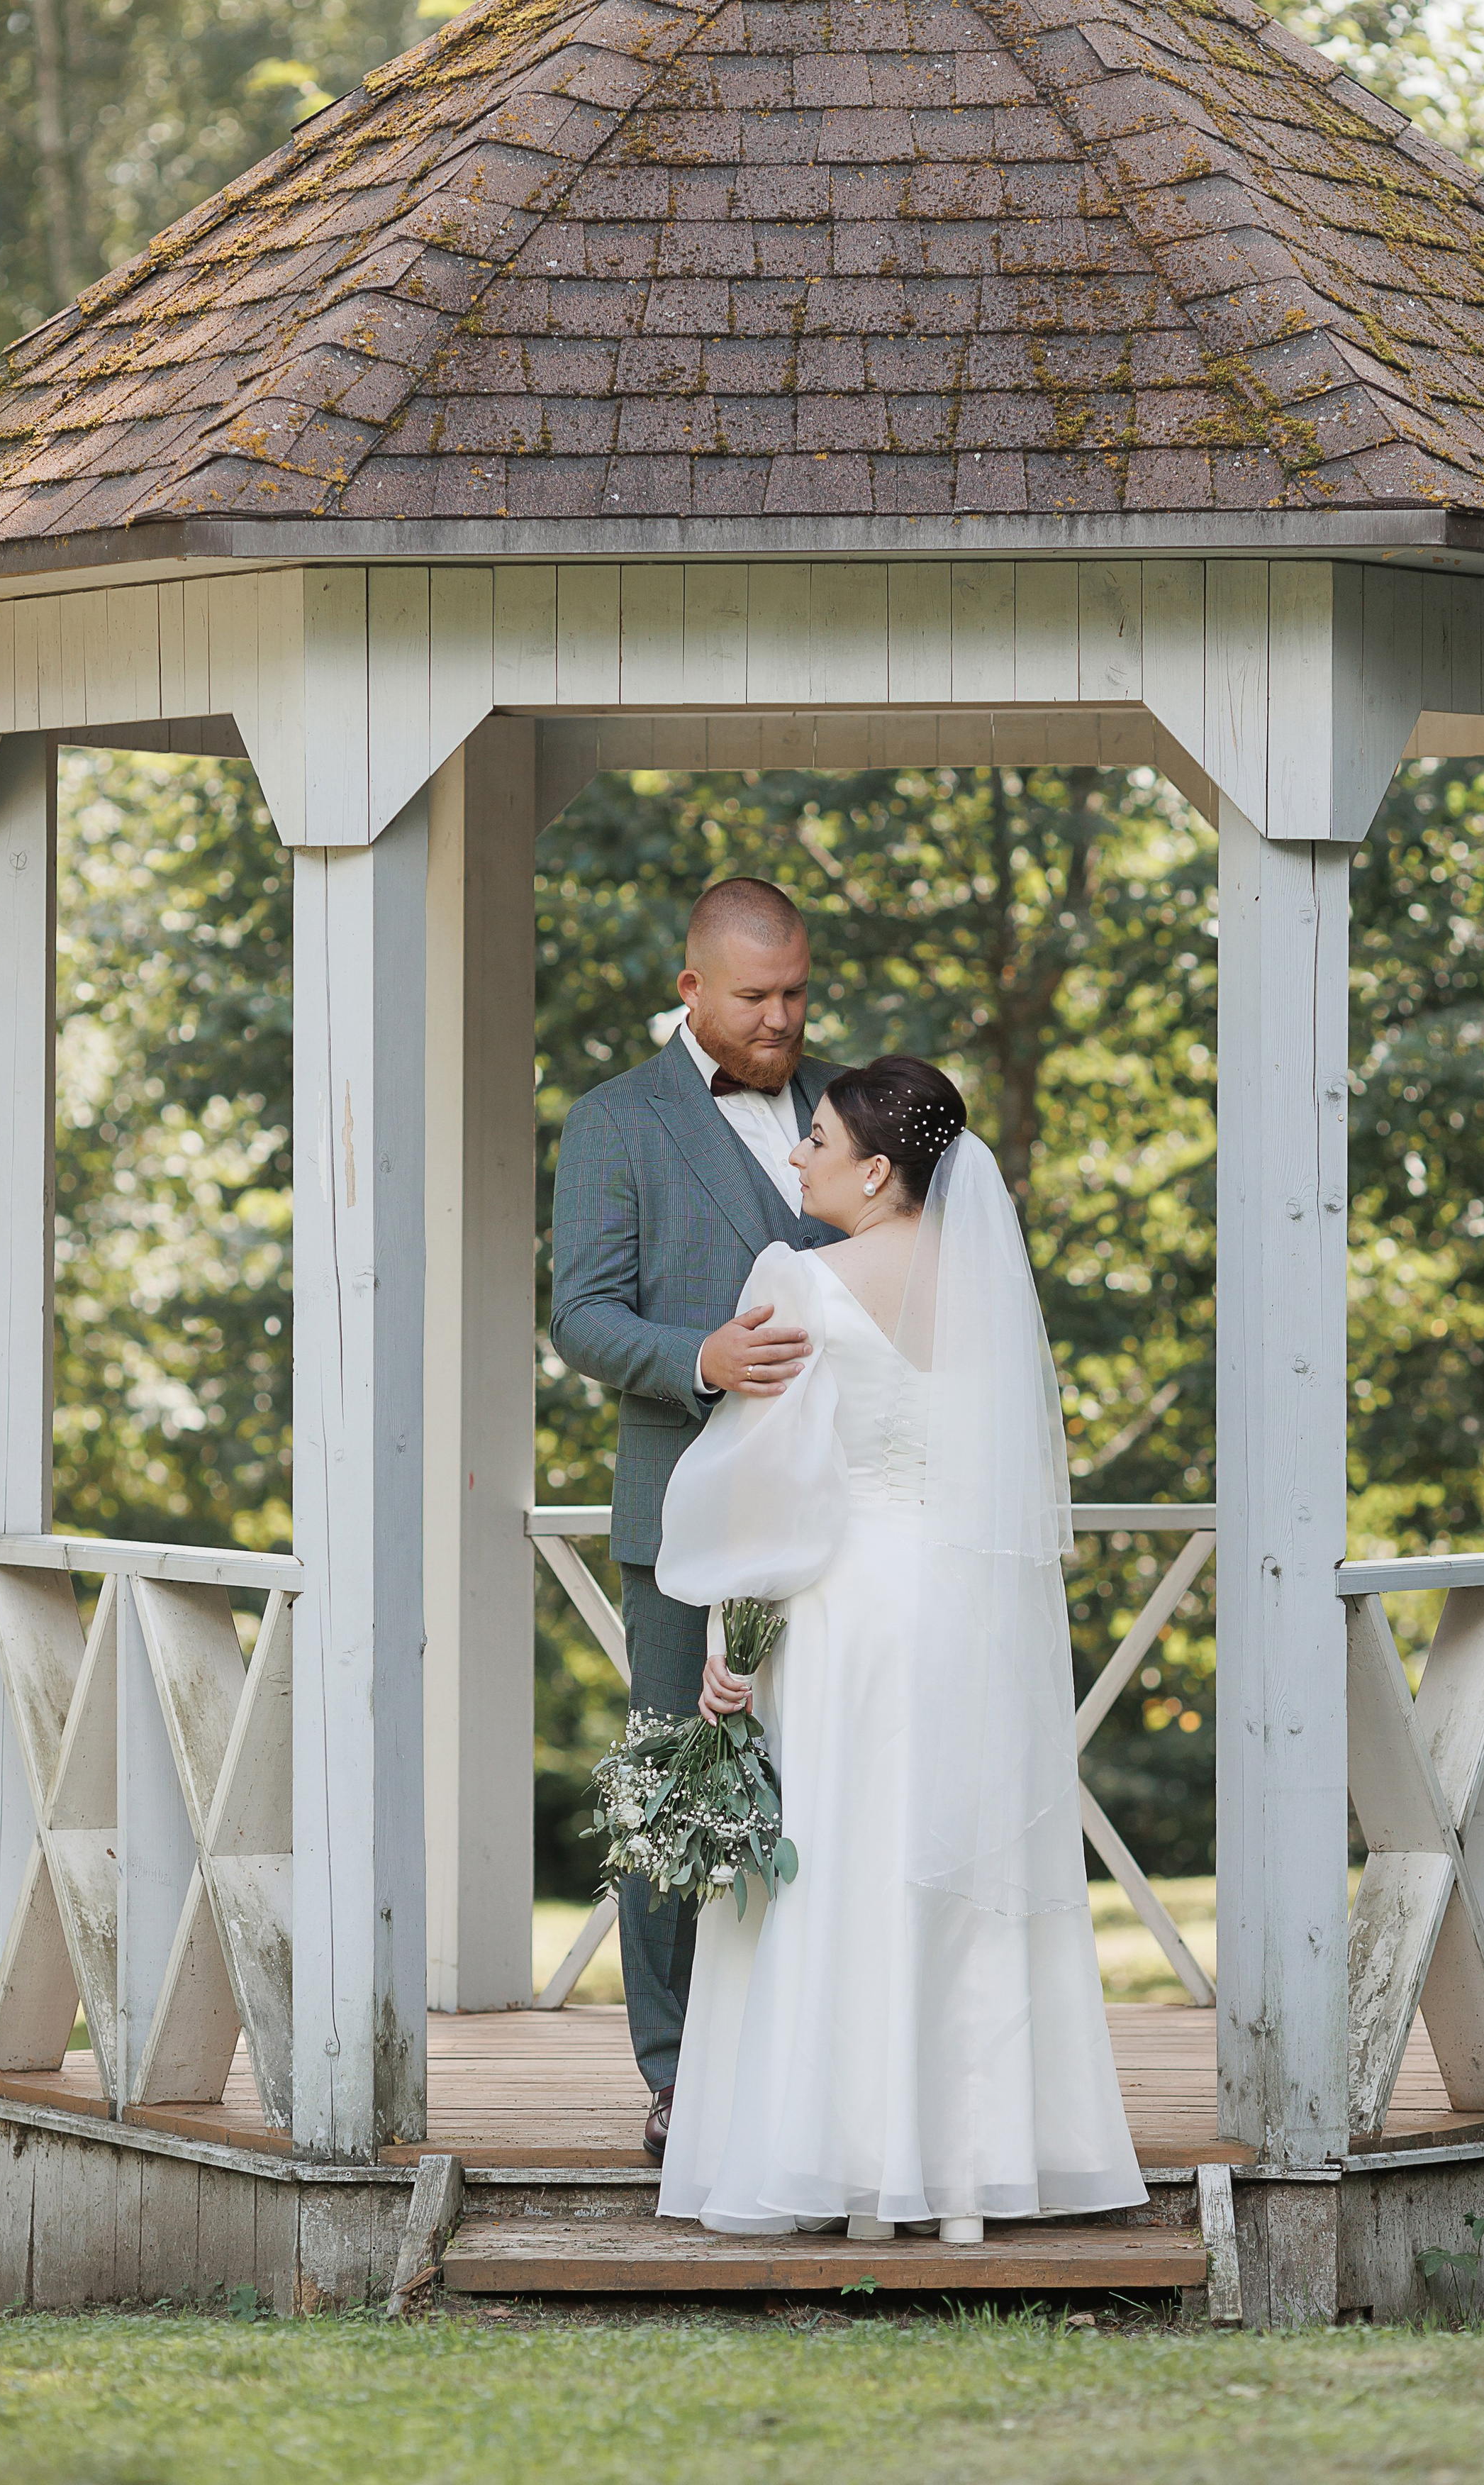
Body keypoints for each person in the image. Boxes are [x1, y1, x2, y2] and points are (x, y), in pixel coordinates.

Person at [652, 1057, 1144, 2240]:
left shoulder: (800, 1282)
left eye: (818, 1139)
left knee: (838, 1861)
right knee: (954, 1869)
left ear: (876, 1172)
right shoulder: (988, 1288)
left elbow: (768, 1484)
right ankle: (969, 2165)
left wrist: (732, 1636)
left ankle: (835, 2157)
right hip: (963, 1608)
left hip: (847, 1610)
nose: (798, 1153)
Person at [549, 878, 844, 2160]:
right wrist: (700, 1359)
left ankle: (818, 2051)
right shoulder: (615, 1122)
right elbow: (580, 1316)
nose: (781, 1020)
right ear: (690, 990)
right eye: (755, 997)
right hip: (682, 1516)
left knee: (830, 1773)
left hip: (843, 1512)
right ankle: (676, 2078)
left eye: (796, 994)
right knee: (677, 1786)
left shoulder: (852, 1106)